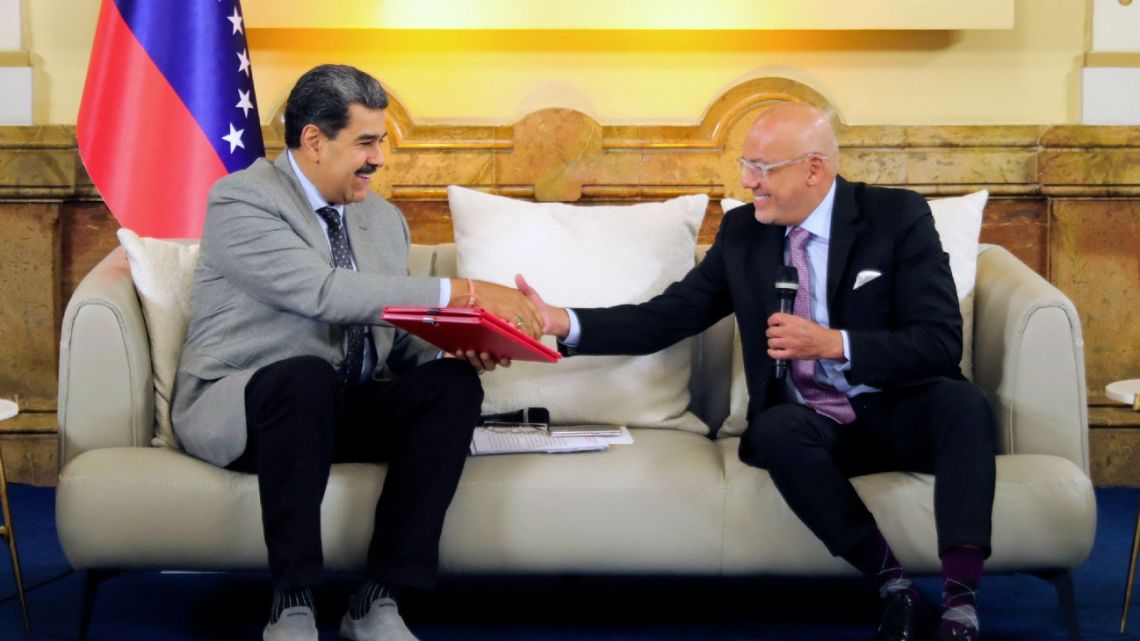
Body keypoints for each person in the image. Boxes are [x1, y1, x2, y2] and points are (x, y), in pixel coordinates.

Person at [518, 102, 996, 641]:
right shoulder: (745, 232)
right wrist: (562, 321)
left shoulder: (897, 217)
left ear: (814, 168)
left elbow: (938, 342)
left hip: (898, 409)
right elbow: (669, 316)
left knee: (964, 405)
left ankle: (961, 606)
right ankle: (896, 589)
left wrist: (833, 343)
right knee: (774, 431)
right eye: (746, 164)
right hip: (816, 423)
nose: (747, 182)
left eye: (762, 168)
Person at [172, 64, 542, 641]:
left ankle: (377, 602)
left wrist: (460, 345)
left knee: (452, 388)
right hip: (255, 410)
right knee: (304, 377)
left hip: (343, 406)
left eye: (382, 141)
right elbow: (323, 293)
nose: (380, 159)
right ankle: (291, 604)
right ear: (314, 140)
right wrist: (464, 290)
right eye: (366, 142)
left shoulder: (382, 219)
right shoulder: (241, 200)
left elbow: (391, 333)